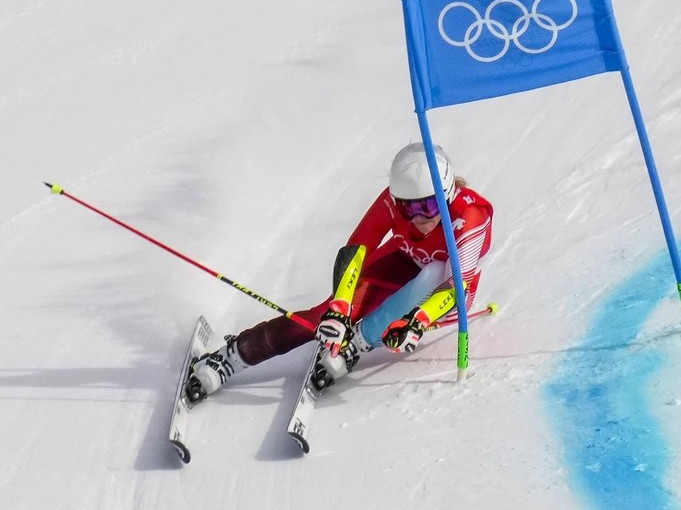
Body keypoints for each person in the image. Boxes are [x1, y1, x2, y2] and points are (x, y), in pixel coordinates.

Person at [186, 142, 493, 402]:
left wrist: (418, 321)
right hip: (404, 260)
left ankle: (359, 342)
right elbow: (358, 248)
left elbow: (458, 286)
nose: (417, 218)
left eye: (427, 207)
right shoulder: (391, 201)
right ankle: (235, 355)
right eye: (407, 208)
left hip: (446, 294)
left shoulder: (470, 216)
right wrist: (340, 308)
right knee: (323, 316)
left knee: (434, 272)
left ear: (447, 194)